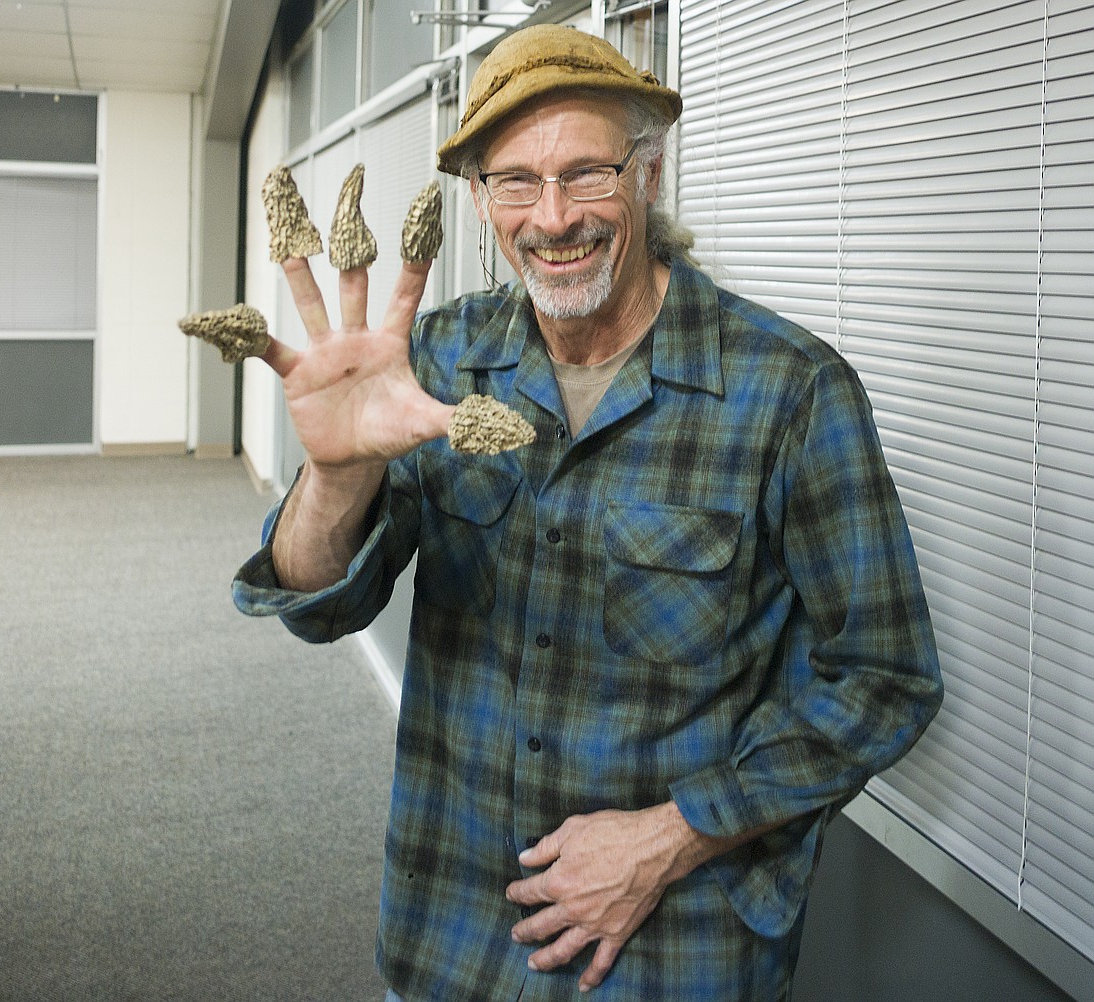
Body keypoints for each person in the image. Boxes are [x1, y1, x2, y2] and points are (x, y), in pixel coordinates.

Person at [233, 23, 943, 1002]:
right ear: (481, 201)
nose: (552, 216)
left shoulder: (789, 392)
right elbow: (317, 608)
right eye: (515, 181)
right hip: (449, 937)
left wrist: (672, 834)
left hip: (666, 955)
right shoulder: (434, 364)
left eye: (586, 173)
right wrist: (337, 474)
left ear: (648, 173)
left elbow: (886, 678)